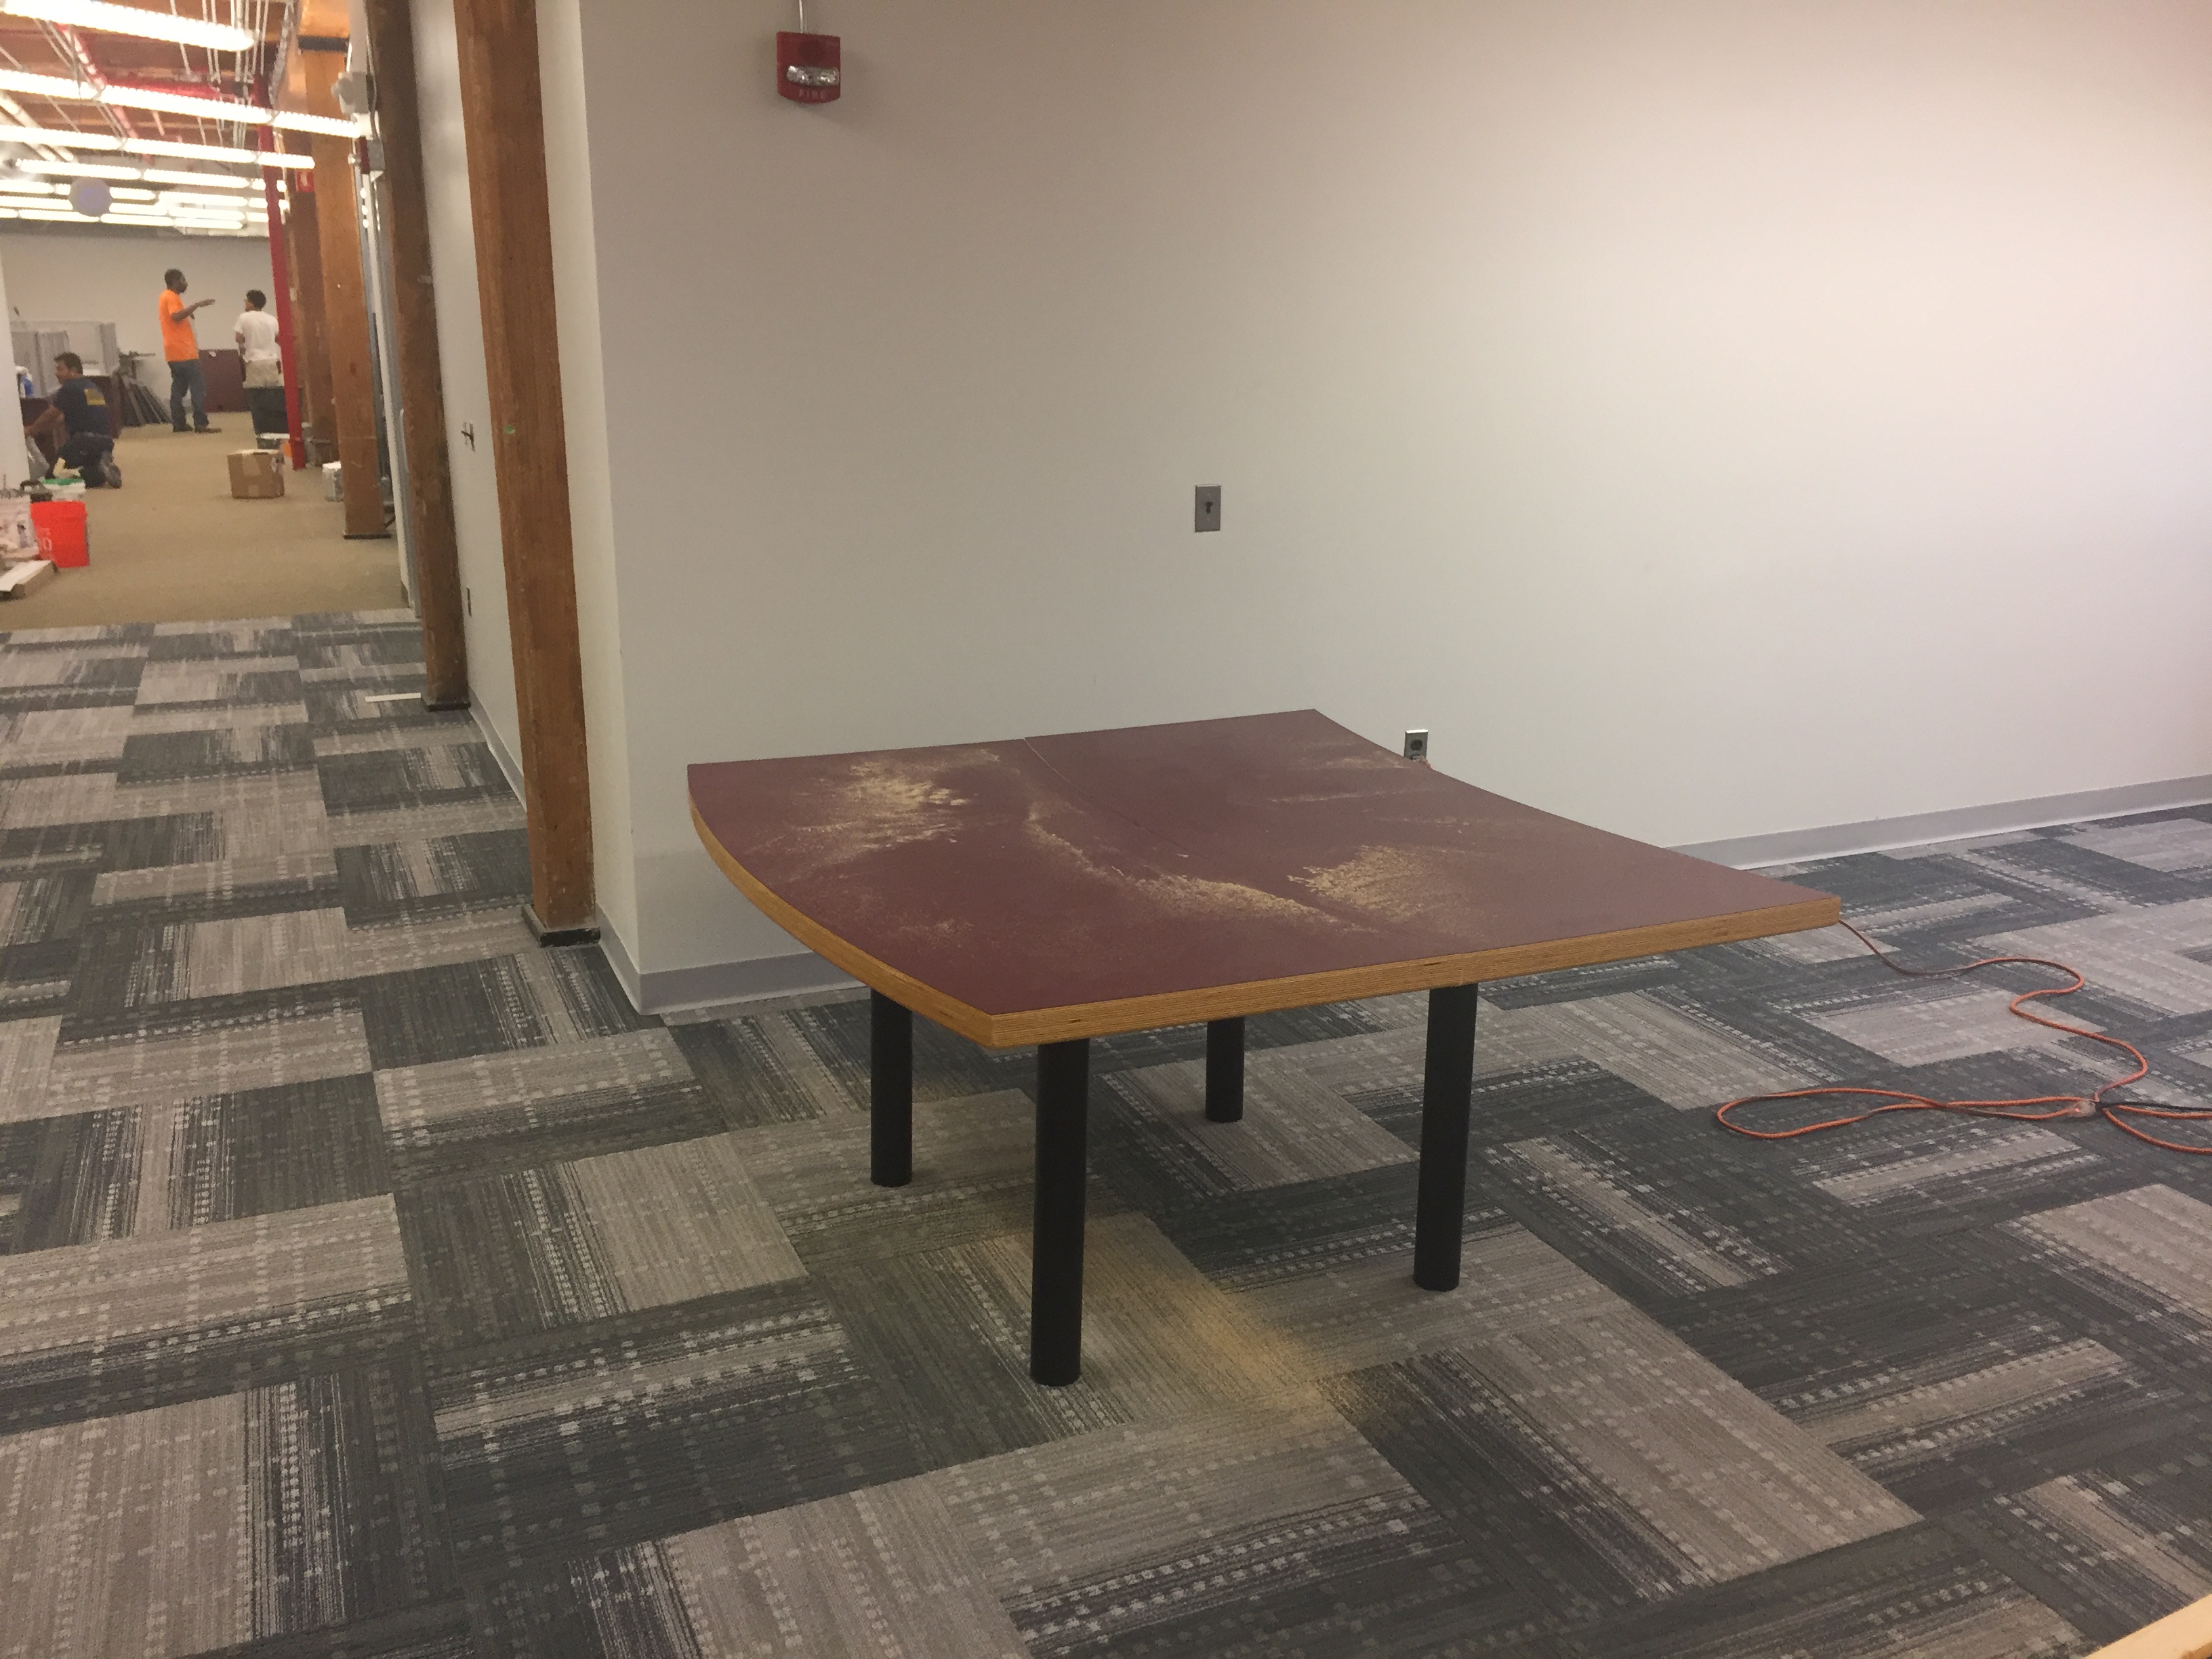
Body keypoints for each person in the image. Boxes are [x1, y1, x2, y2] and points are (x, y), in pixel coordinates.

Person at [157, 267, 220, 434]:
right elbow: (176, 316)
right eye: (183, 280)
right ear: (175, 281)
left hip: (173, 353)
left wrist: (189, 313)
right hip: (184, 352)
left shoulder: (165, 297)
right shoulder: (171, 297)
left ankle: (179, 423)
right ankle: (201, 423)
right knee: (198, 389)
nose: (186, 283)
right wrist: (196, 306)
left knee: (178, 389)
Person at [48, 352, 120, 487]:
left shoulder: (69, 388)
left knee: (53, 475)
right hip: (105, 442)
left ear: (73, 370)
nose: (56, 373)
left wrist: (31, 429)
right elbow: (78, 414)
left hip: (83, 442)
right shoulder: (92, 387)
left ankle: (98, 471)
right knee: (89, 475)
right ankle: (98, 469)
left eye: (60, 369)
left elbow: (51, 414)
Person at [234, 288, 286, 436]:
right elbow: (278, 339)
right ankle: (274, 425)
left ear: (251, 303)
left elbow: (238, 338)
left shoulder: (244, 317)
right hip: (271, 361)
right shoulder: (271, 319)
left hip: (254, 361)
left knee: (256, 396)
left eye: (246, 301)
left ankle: (260, 427)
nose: (245, 303)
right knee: (273, 395)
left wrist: (248, 341)